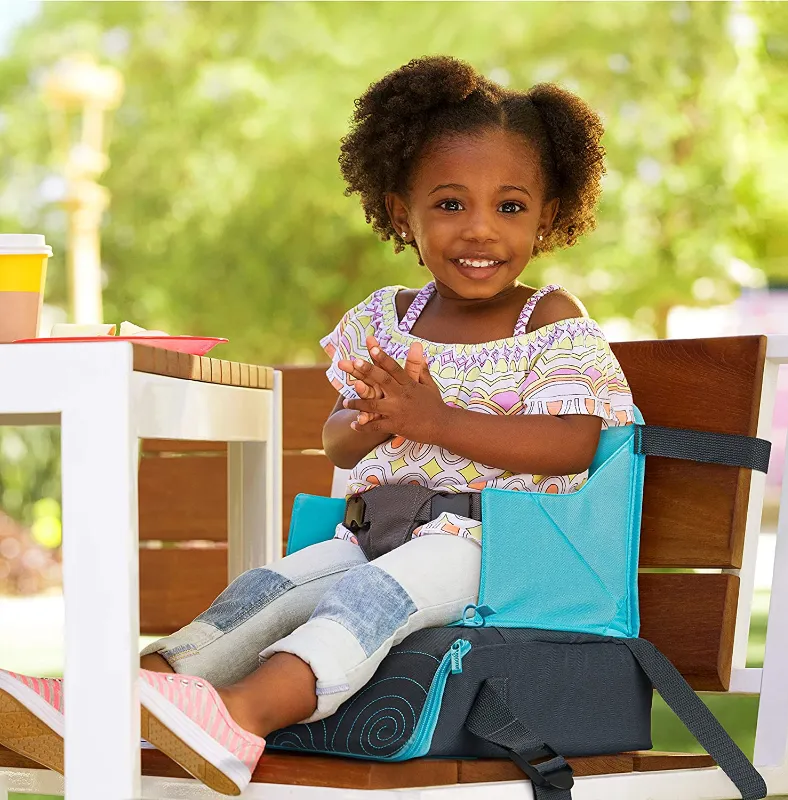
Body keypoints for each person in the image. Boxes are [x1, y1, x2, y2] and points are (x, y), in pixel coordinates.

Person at [0, 55, 634, 795]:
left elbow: (572, 446)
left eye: (512, 207)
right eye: (451, 204)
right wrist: (372, 421)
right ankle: (119, 698)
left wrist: (435, 419)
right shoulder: (384, 319)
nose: (480, 231)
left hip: (486, 544)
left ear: (549, 216)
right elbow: (337, 436)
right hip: (369, 534)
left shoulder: (550, 320)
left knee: (365, 602)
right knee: (263, 589)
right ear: (403, 213)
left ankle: (241, 715)